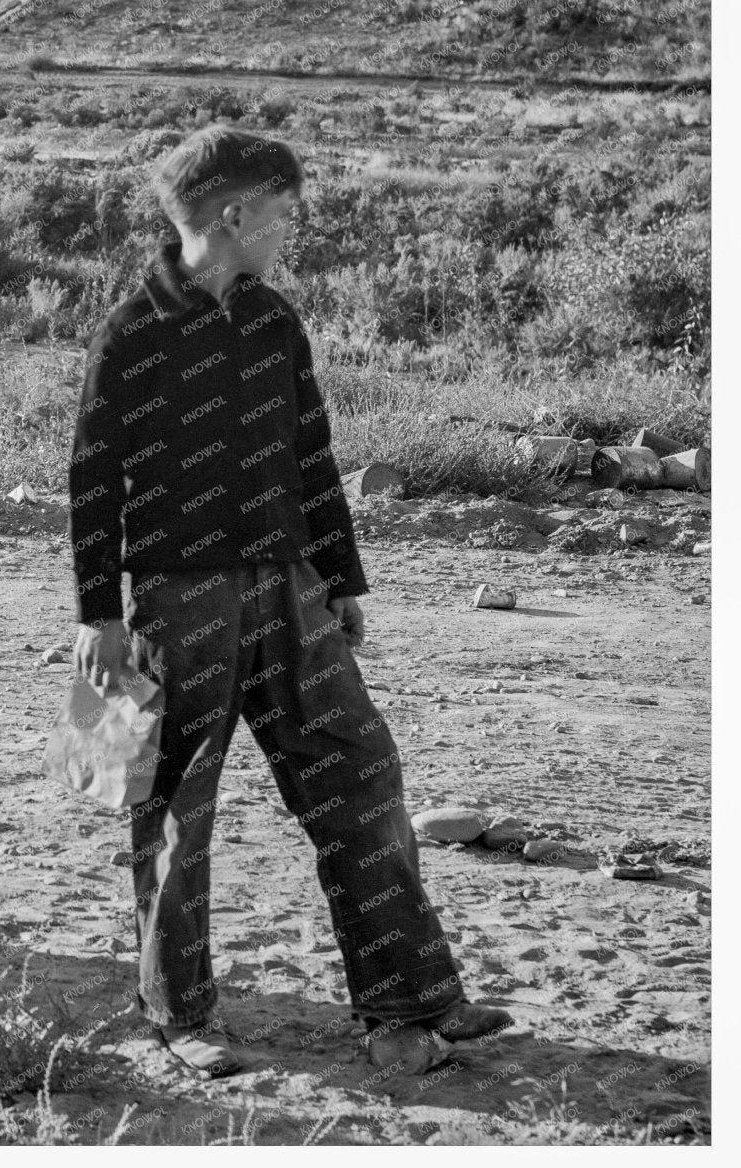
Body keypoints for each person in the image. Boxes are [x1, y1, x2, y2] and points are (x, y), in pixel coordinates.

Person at [66, 124, 510, 1079]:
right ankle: (180, 1015)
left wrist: (341, 579)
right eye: (283, 218)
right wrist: (98, 613)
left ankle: (411, 996)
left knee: (361, 769)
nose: (289, 235)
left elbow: (312, 453)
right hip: (179, 601)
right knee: (176, 808)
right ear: (234, 215)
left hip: (292, 589)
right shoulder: (134, 329)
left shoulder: (274, 321)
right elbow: (93, 478)